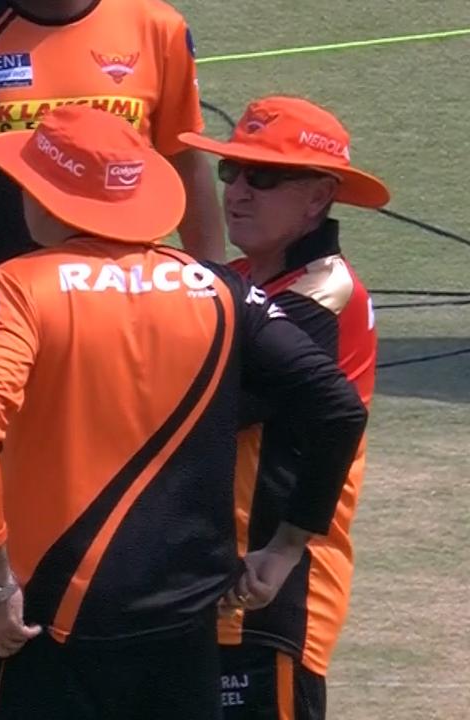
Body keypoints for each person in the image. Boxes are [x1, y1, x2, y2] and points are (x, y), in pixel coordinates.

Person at [0, 104, 369, 719]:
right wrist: (289, 543)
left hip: (59, 619)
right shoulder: (220, 286)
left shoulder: (18, 285)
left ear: (49, 198)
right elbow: (338, 408)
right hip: (188, 629)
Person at [0, 1, 226, 713]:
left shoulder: (157, 30)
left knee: (128, 496)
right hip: (4, 328)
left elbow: (186, 163)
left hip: (120, 330)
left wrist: (215, 294)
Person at [178, 96, 389, 720]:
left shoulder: (322, 293)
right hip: (221, 576)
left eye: (263, 177)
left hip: (269, 583)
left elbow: (216, 403)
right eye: (230, 172)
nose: (238, 192)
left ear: (319, 197)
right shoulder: (244, 279)